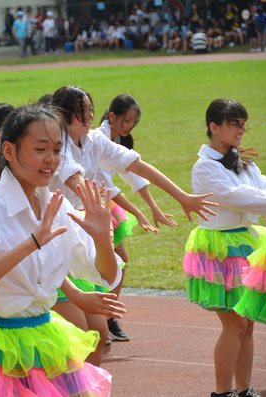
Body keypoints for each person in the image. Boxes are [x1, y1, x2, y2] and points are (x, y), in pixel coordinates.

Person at [0, 104, 127, 397]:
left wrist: (103, 238)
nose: (51, 160)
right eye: (40, 149)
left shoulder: (57, 205)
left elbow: (105, 274)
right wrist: (31, 243)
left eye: (56, 149)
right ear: (9, 150)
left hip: (47, 338)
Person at [47, 85, 217, 362]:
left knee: (98, 336)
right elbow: (75, 182)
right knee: (74, 335)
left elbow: (137, 165)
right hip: (55, 235)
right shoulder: (56, 144)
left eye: (90, 109)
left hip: (82, 235)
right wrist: (99, 215)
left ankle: (87, 390)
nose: (88, 117)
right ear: (62, 114)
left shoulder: (93, 141)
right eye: (81, 112)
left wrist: (182, 196)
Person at [183, 99, 266, 397]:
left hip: (245, 243)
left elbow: (262, 187)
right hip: (219, 249)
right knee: (234, 325)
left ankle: (244, 389)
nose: (241, 130)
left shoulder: (243, 161)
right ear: (214, 126)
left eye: (243, 124)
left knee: (247, 325)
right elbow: (234, 197)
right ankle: (222, 392)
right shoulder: (204, 167)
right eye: (235, 123)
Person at [94, 94, 178, 342]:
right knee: (105, 262)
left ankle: (106, 317)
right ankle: (100, 317)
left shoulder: (117, 140)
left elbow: (133, 175)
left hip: (106, 205)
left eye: (133, 122)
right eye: (127, 120)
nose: (129, 125)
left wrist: (153, 207)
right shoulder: (97, 139)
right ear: (112, 116)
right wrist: (139, 211)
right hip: (91, 207)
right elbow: (106, 185)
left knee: (117, 260)